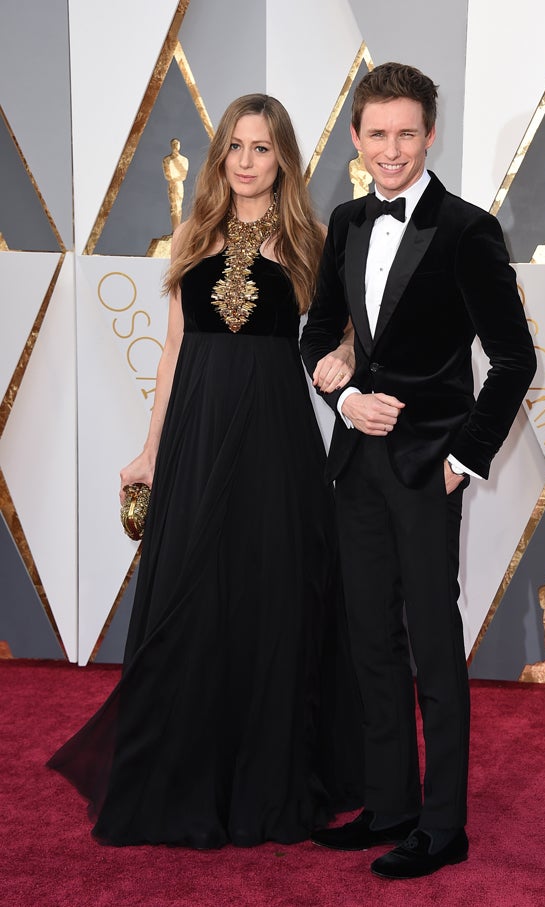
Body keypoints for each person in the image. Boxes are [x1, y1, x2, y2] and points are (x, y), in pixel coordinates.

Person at [48, 94, 363, 848]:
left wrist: (347, 361)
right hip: (195, 429)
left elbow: (342, 335)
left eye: (262, 147)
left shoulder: (308, 239)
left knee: (269, 592)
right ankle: (185, 772)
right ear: (221, 155)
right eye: (236, 147)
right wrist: (151, 451)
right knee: (191, 596)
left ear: (283, 156)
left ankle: (265, 777)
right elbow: (173, 346)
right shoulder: (192, 232)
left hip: (273, 437)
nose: (247, 161)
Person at [300, 62, 537, 880]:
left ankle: (443, 826)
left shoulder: (469, 230)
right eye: (377, 135)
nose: (391, 150)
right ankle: (390, 802)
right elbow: (317, 331)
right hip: (356, 464)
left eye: (407, 133)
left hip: (427, 470)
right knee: (369, 640)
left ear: (430, 132)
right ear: (356, 137)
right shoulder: (344, 220)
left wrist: (463, 460)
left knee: (433, 648)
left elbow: (513, 359)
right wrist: (346, 395)